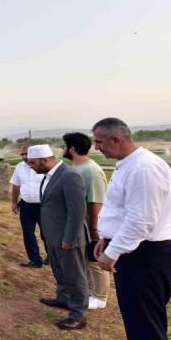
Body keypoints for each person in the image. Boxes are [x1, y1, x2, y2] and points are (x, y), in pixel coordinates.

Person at [92, 118, 171, 340]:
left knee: (147, 323)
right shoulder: (129, 164)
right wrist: (107, 238)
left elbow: (142, 220)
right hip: (134, 251)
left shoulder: (143, 168)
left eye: (100, 142)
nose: (96, 147)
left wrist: (113, 252)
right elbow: (122, 211)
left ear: (116, 139)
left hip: (145, 255)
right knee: (136, 319)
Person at [26, 144, 88, 330]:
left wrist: (70, 238)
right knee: (60, 271)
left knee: (75, 276)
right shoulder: (48, 176)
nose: (30, 166)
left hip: (67, 237)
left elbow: (77, 211)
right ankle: (63, 299)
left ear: (45, 160)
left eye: (32, 163)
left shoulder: (69, 175)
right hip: (53, 235)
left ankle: (78, 314)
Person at [62, 132, 109, 310]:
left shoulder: (91, 171)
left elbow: (96, 201)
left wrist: (94, 229)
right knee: (85, 259)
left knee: (94, 259)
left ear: (72, 149)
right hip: (81, 223)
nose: (63, 149)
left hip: (91, 223)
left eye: (64, 146)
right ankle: (90, 290)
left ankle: (100, 297)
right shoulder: (78, 168)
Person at [10, 145, 47, 268]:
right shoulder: (19, 167)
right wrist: (14, 202)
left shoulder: (44, 166)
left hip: (44, 206)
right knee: (28, 233)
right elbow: (16, 185)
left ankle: (52, 257)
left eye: (27, 154)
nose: (25, 157)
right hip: (26, 205)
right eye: (22, 154)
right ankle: (35, 259)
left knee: (47, 233)